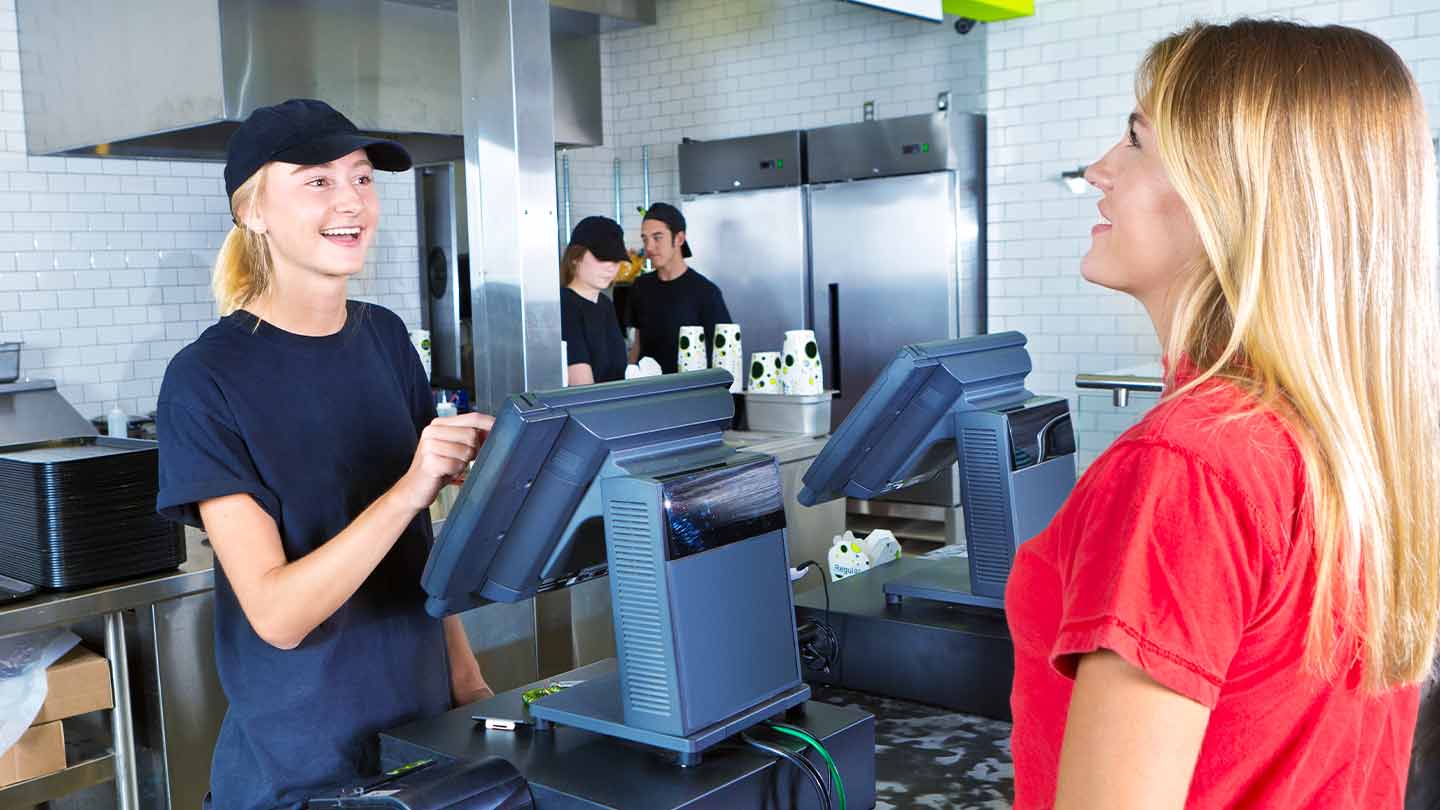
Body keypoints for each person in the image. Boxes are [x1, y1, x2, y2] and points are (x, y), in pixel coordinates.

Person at [1005, 20, 1440, 810]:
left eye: (1135, 142)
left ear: (1233, 192)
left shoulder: (1184, 470)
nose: (1099, 170)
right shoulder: (1355, 445)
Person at [155, 99, 493, 810]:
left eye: (363, 178)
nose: (352, 202)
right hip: (304, 773)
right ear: (253, 211)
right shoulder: (206, 379)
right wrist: (410, 487)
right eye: (318, 180)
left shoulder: (385, 339)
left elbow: (418, 552)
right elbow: (277, 615)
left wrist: (470, 689)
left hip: (425, 746)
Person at [624, 202, 732, 373]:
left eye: (657, 237)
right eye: (645, 239)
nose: (649, 247)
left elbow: (723, 353)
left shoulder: (706, 293)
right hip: (648, 391)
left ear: (679, 238)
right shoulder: (640, 287)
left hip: (690, 393)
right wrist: (629, 376)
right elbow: (637, 344)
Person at [560, 216, 628, 386]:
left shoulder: (605, 304)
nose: (611, 266)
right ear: (575, 256)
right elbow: (582, 389)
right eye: (602, 258)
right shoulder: (564, 306)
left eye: (616, 259)